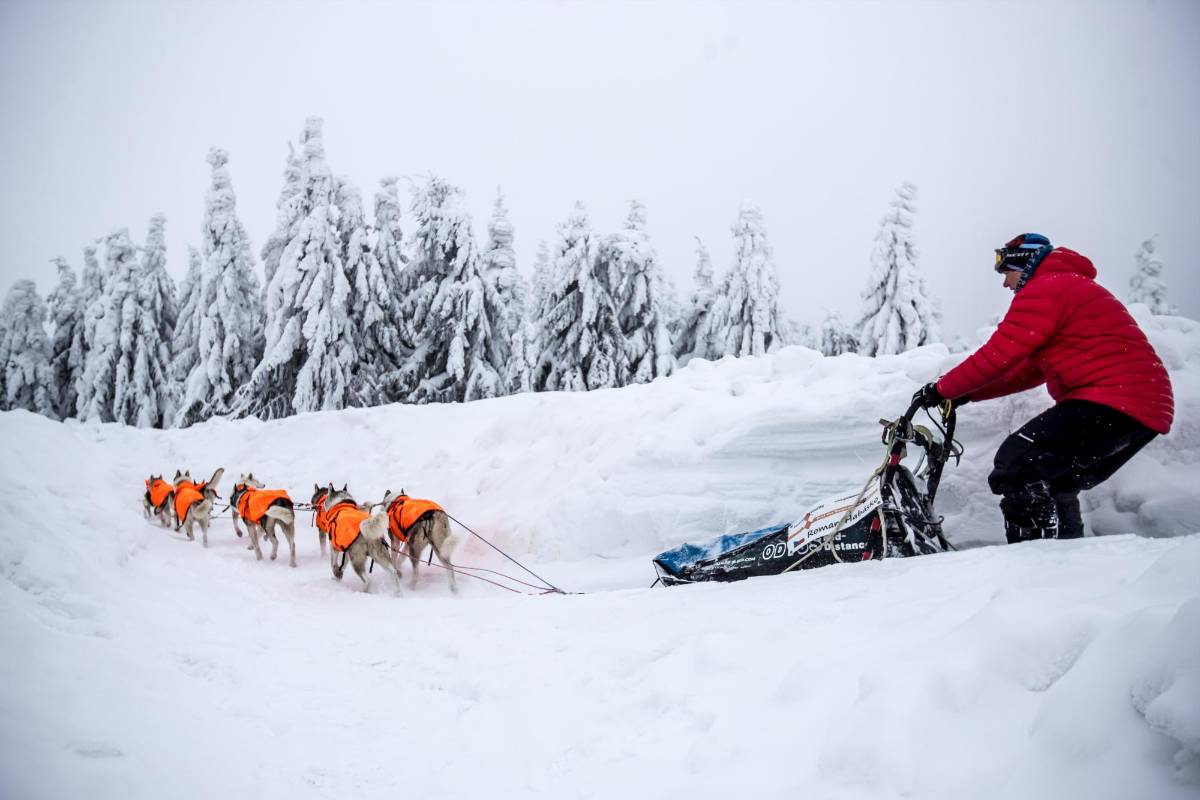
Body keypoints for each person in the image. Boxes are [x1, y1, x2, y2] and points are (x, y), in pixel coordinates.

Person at [913, 233, 1174, 542]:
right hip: (1140, 405)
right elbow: (1028, 371)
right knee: (1057, 478)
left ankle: (1036, 559)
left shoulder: (1046, 289)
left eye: (1006, 272)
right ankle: (1068, 557)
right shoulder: (1066, 287)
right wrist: (966, 393)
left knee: (1016, 463)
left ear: (1024, 263)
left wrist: (941, 390)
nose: (1005, 283)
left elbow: (999, 353)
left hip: (1116, 398)